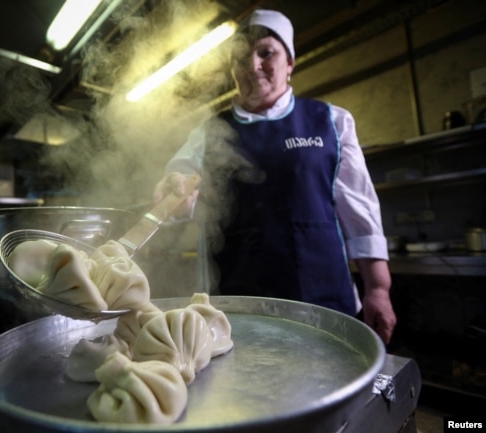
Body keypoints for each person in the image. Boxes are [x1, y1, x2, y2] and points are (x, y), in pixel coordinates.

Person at [153, 9, 396, 344]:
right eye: (241, 58)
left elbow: (360, 212)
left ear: (290, 63)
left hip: (323, 301)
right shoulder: (209, 133)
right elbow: (181, 181)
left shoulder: (331, 122)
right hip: (239, 305)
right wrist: (175, 187)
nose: (253, 66)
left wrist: (378, 290)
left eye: (266, 53)